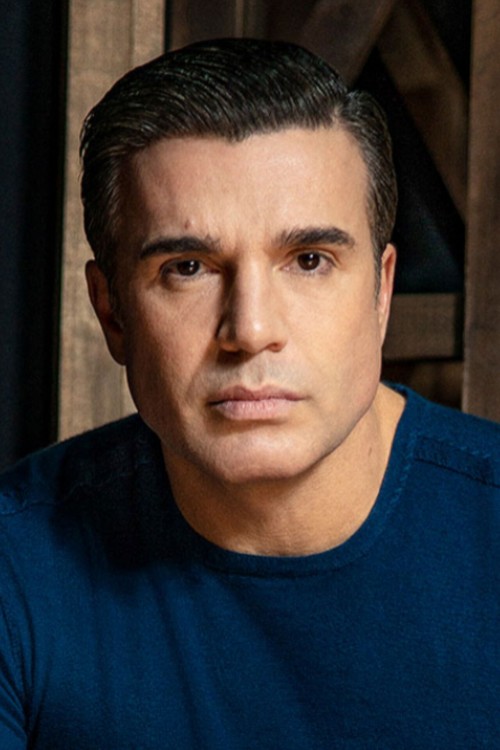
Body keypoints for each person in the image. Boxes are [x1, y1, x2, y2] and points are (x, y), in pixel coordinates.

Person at [0, 38, 499, 750]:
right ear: (112, 314)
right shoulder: (16, 566)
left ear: (382, 292)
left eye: (309, 260)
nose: (251, 330)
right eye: (188, 267)